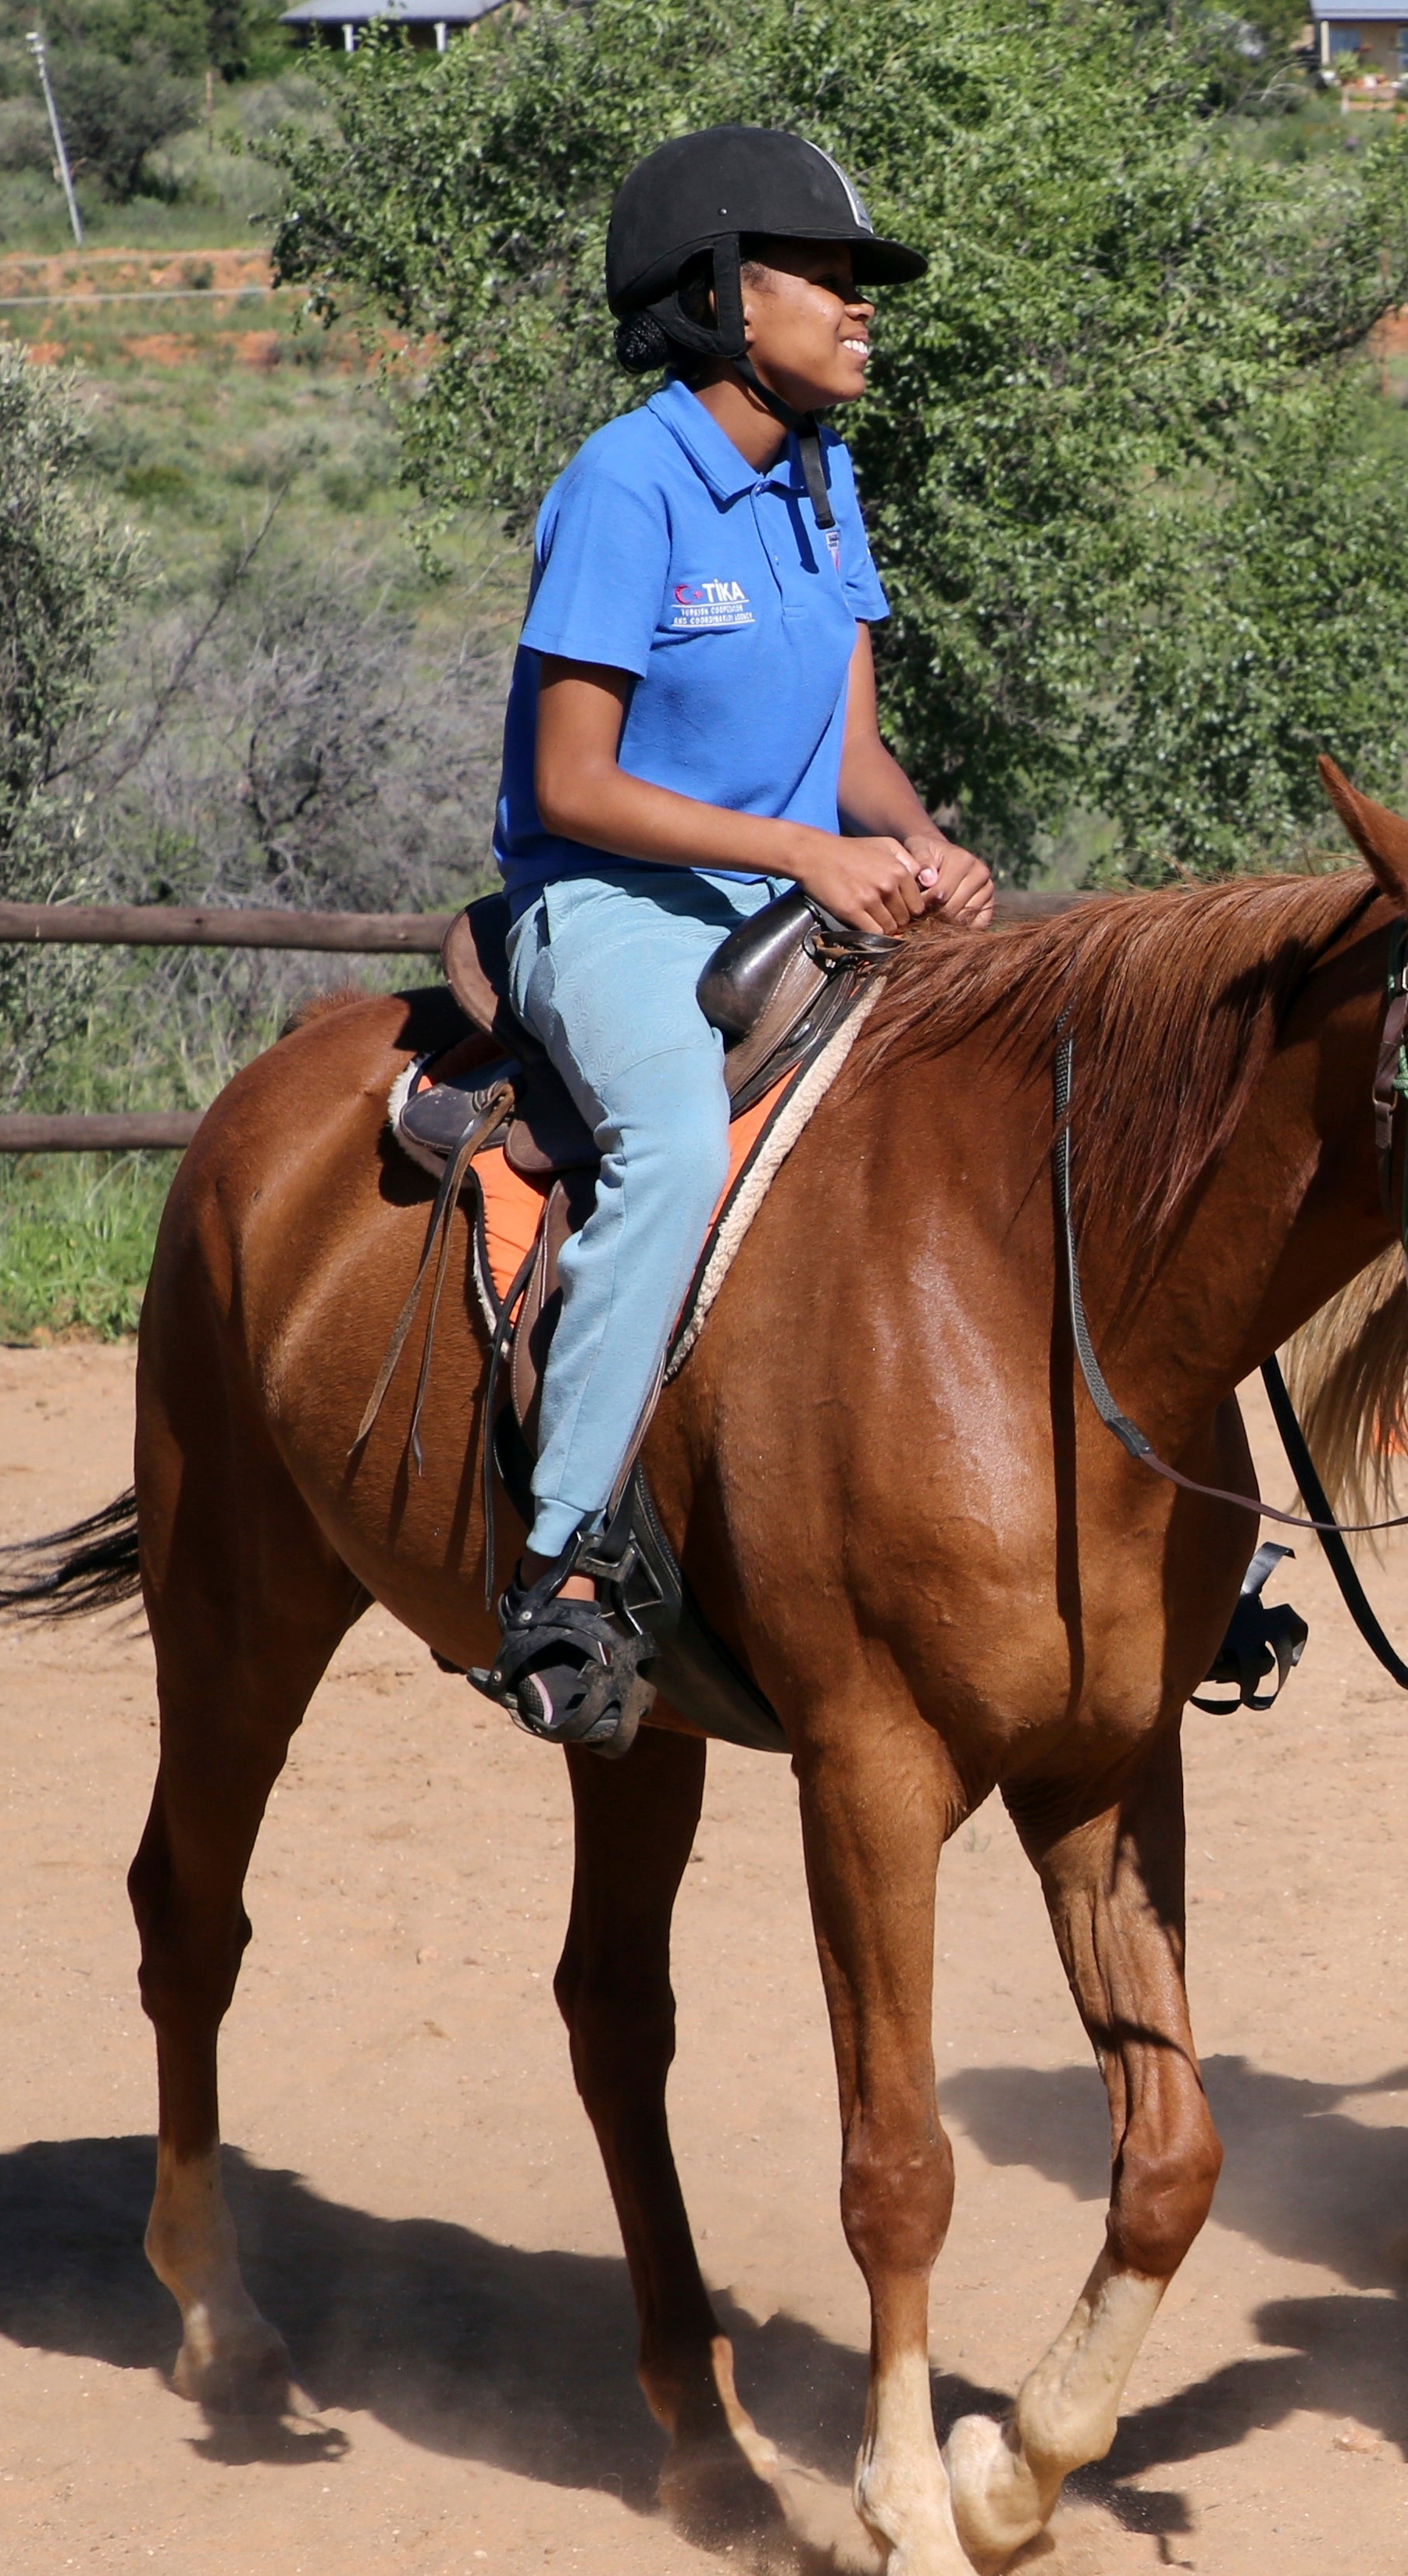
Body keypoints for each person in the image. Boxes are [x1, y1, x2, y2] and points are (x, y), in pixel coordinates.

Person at [472, 127, 997, 1754]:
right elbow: (574, 781)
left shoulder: (822, 479)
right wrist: (803, 852)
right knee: (679, 1144)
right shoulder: (625, 483)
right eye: (824, 279)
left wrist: (917, 842)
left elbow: (850, 754)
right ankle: (561, 1558)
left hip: (795, 894)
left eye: (857, 284)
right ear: (715, 295)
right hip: (608, 905)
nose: (859, 311)